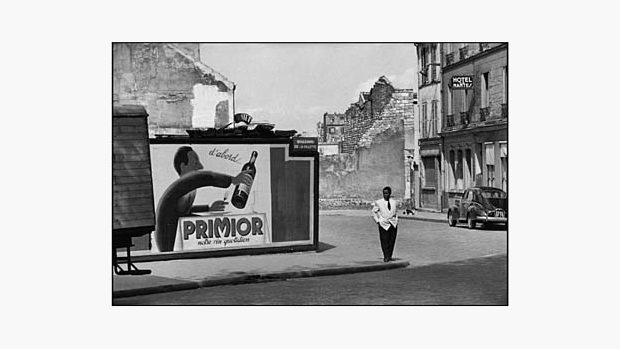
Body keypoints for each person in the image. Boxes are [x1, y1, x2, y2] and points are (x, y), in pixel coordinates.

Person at [155, 146, 253, 252]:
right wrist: (232, 180)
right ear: (183, 166)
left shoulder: (189, 189)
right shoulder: (182, 184)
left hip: (176, 229)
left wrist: (208, 208)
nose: (201, 167)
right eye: (195, 163)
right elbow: (204, 177)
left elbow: (183, 211)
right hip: (167, 234)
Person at [371, 186, 399, 262]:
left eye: (387, 193)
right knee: (384, 240)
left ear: (390, 194)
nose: (385, 195)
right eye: (384, 193)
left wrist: (396, 219)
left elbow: (396, 212)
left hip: (393, 223)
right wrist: (378, 221)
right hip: (383, 224)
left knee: (392, 240)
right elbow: (373, 212)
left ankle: (390, 255)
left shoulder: (394, 202)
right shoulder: (379, 202)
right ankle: (386, 256)